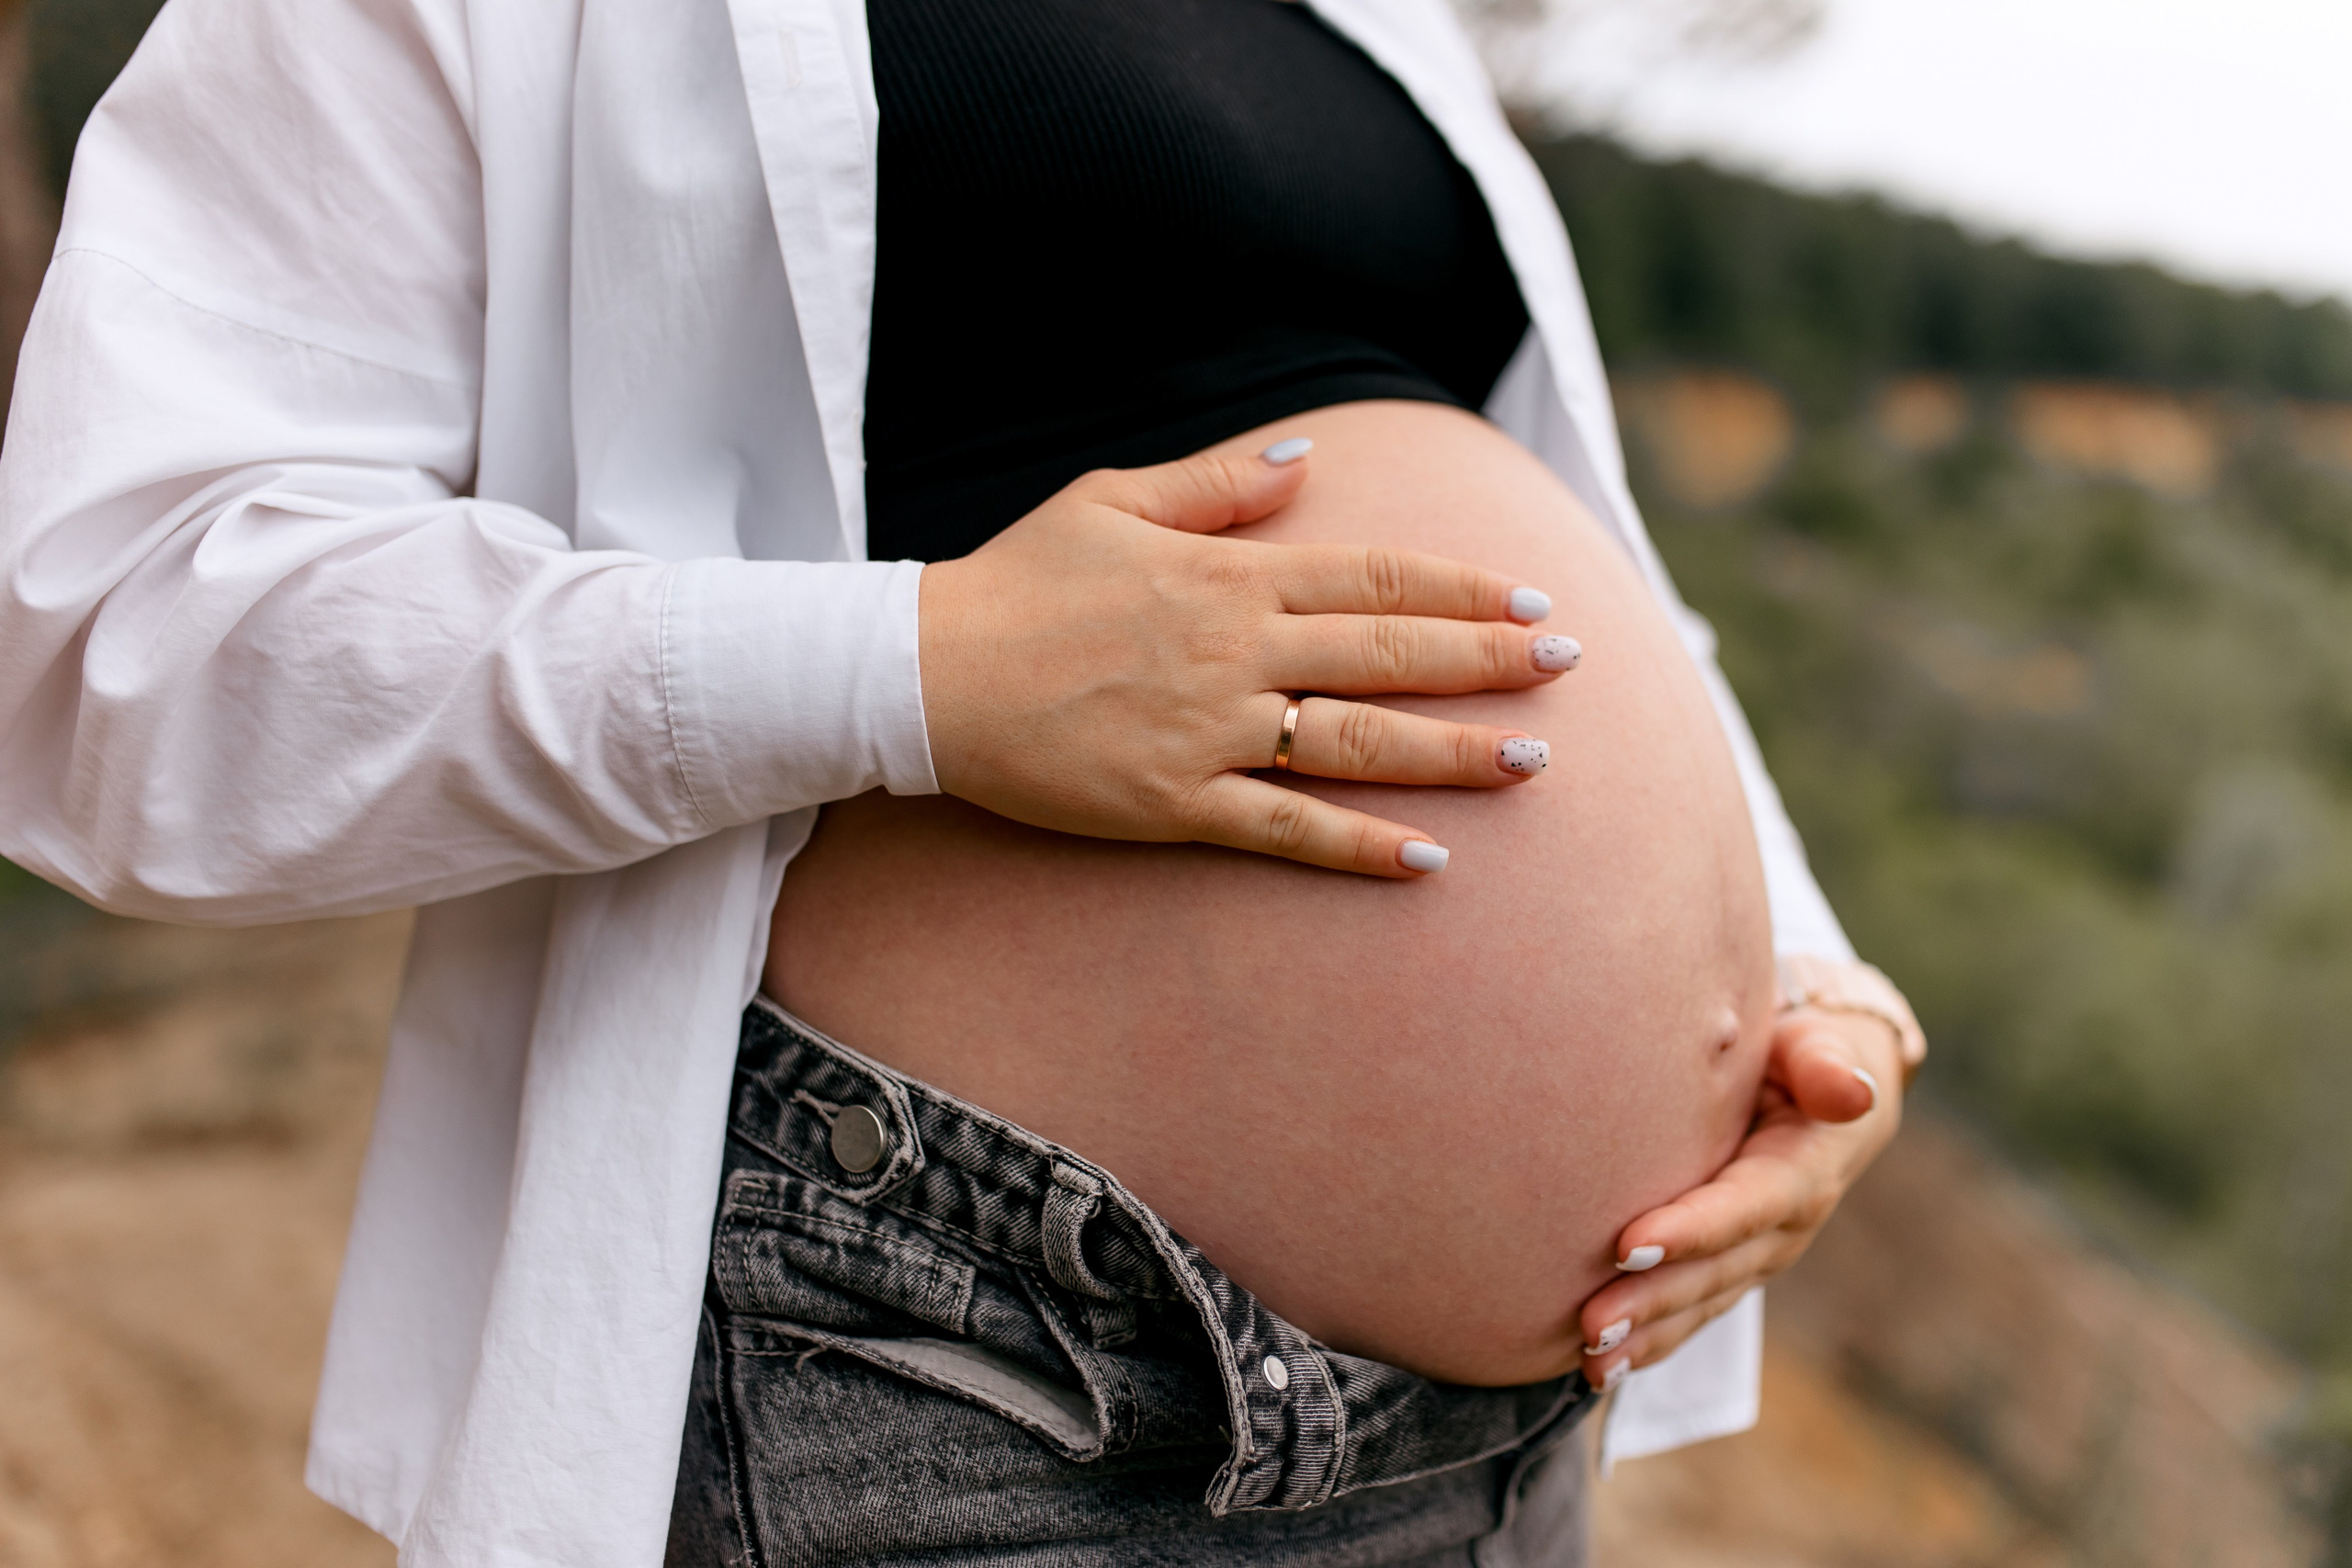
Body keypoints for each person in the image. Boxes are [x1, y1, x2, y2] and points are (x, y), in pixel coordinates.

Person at [0, 0, 1923, 1562]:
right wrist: (913, 667)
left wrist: (1803, 984)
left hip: (1501, 1437)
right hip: (980, 1369)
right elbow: (118, 642)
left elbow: (1577, 557)